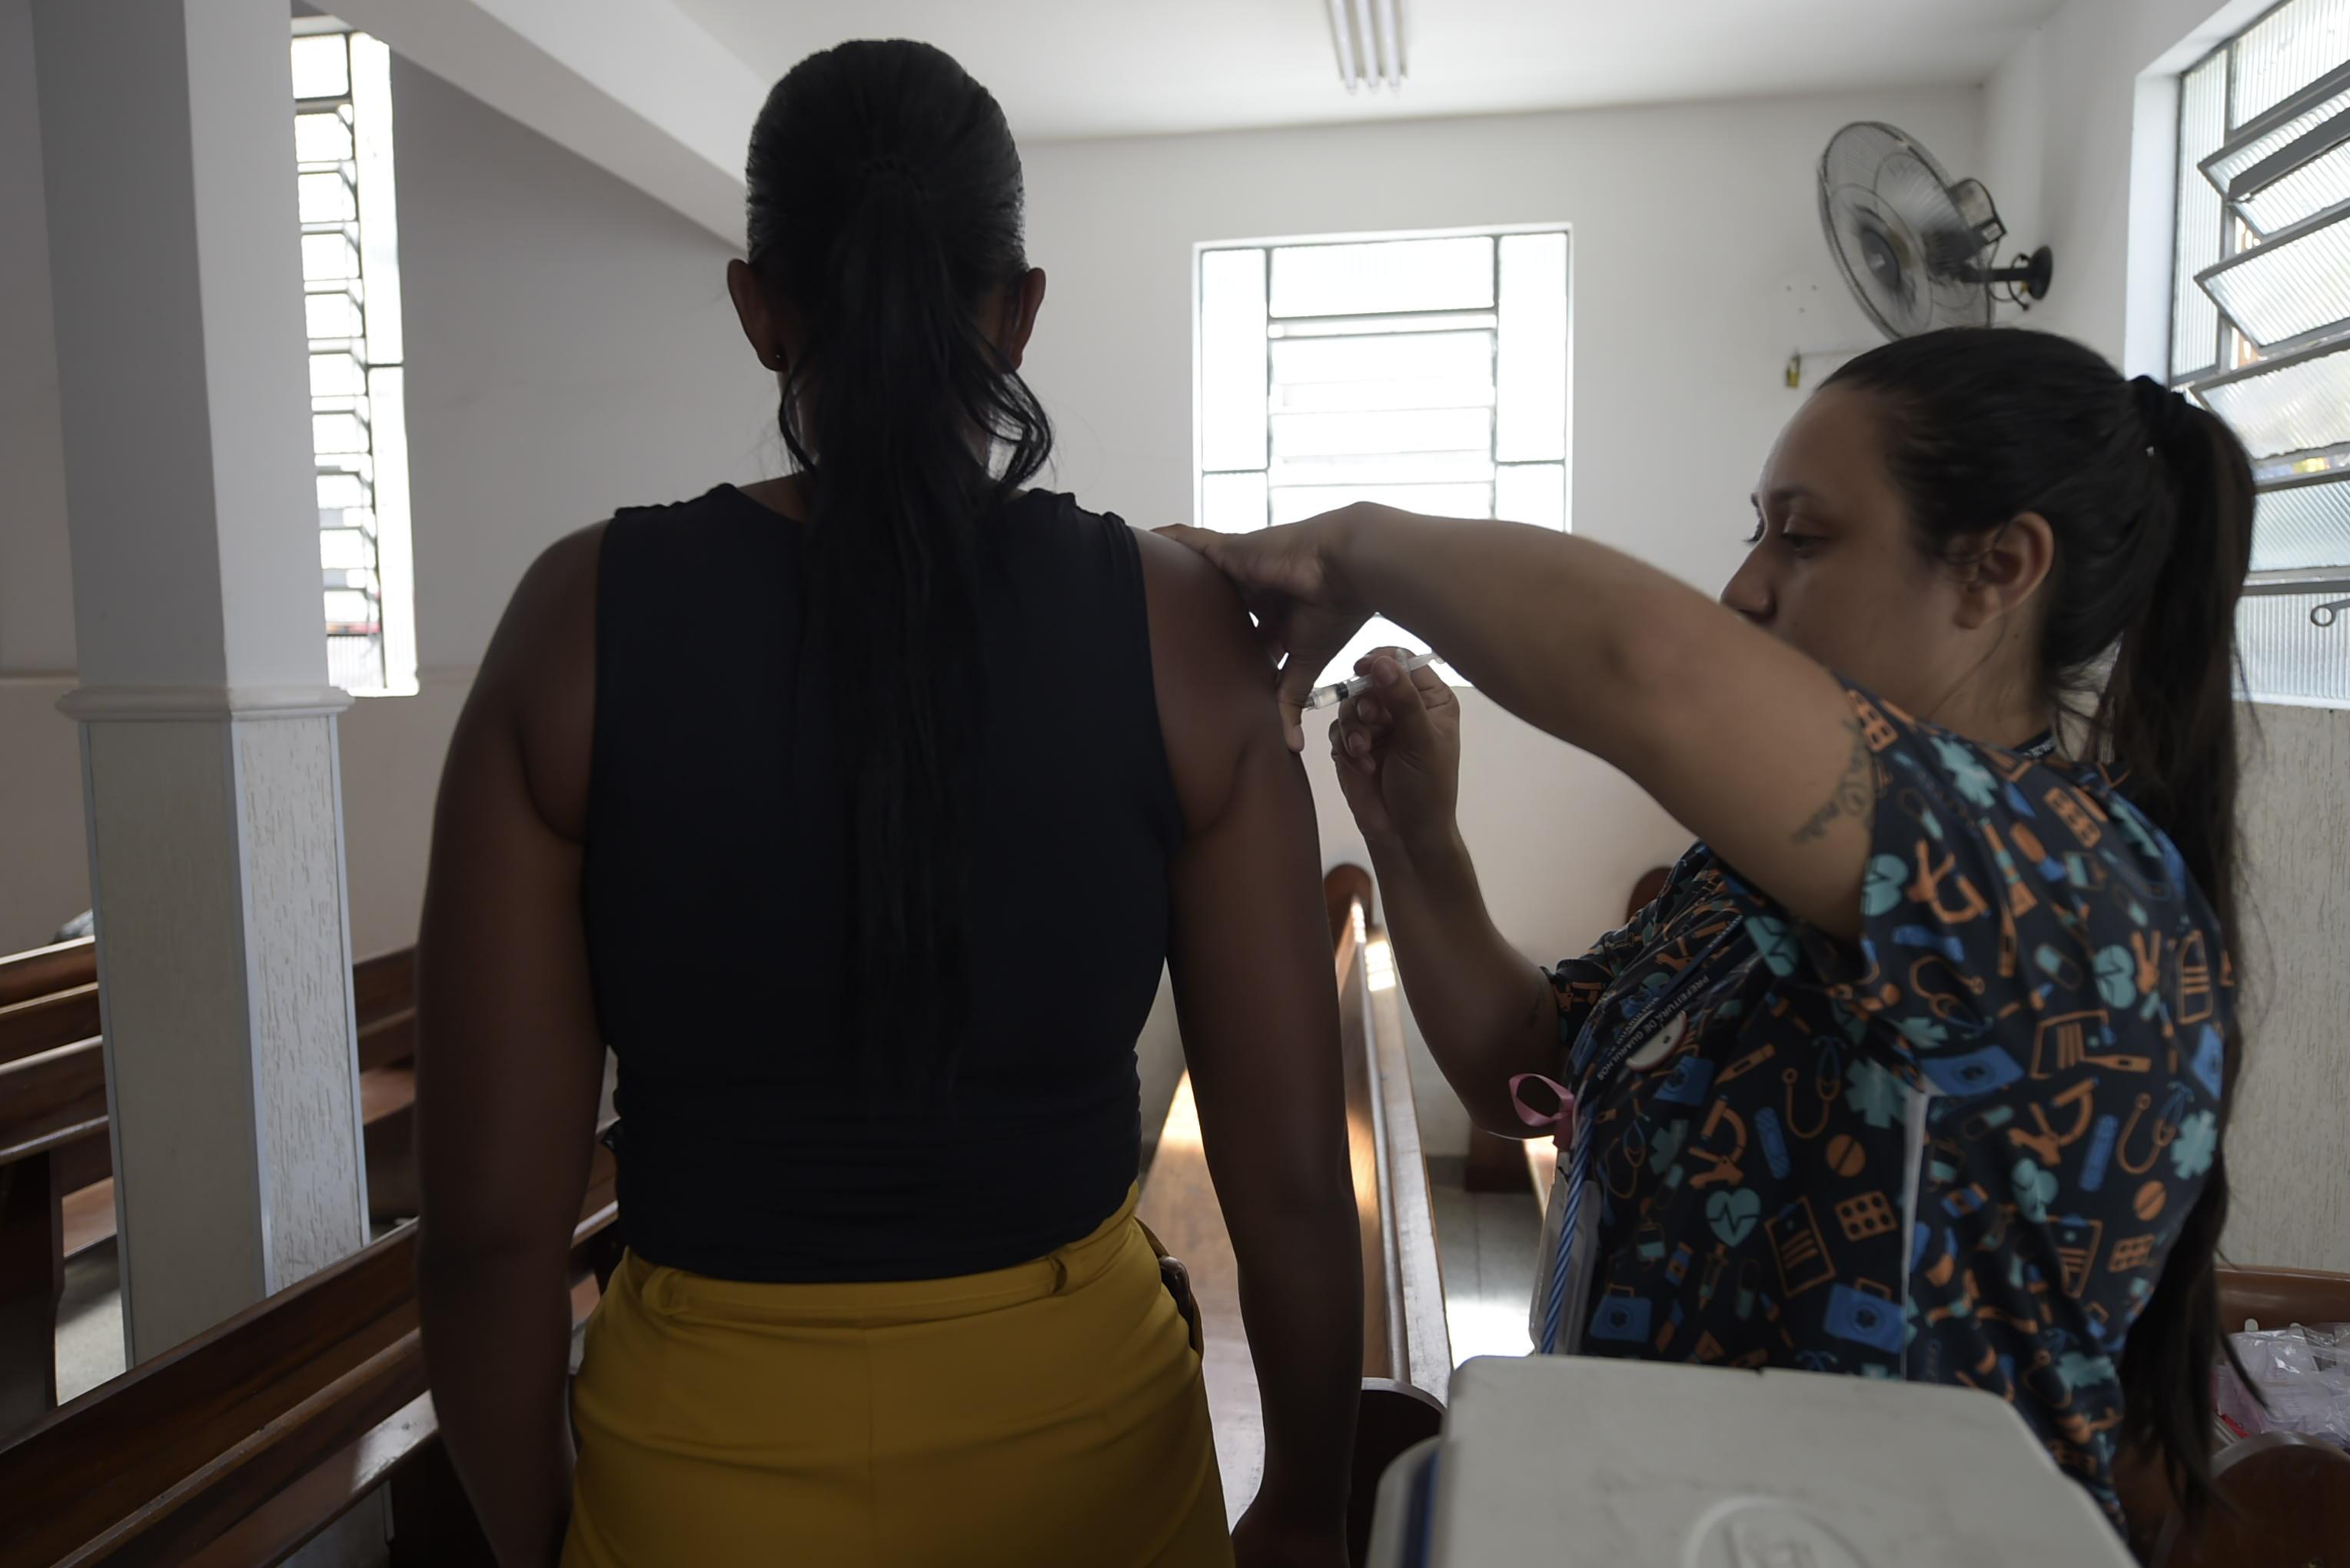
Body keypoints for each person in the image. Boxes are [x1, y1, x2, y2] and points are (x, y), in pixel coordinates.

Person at [414, 40, 1359, 1568]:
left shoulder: (576, 626)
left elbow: (486, 1236)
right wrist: (1309, 1501)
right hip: (1090, 1465)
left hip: (699, 1471)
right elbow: (1297, 1189)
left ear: (759, 309)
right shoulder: (1179, 631)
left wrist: (543, 1543)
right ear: (1020, 310)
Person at [1162, 327, 2252, 1542]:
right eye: (1757, 530)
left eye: (1805, 537)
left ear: (1997, 569)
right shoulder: (1754, 880)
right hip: (1664, 1518)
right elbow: (1523, 1069)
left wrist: (1353, 544)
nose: (1746, 586)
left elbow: (1649, 668)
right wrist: (1418, 844)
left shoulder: (2065, 883)